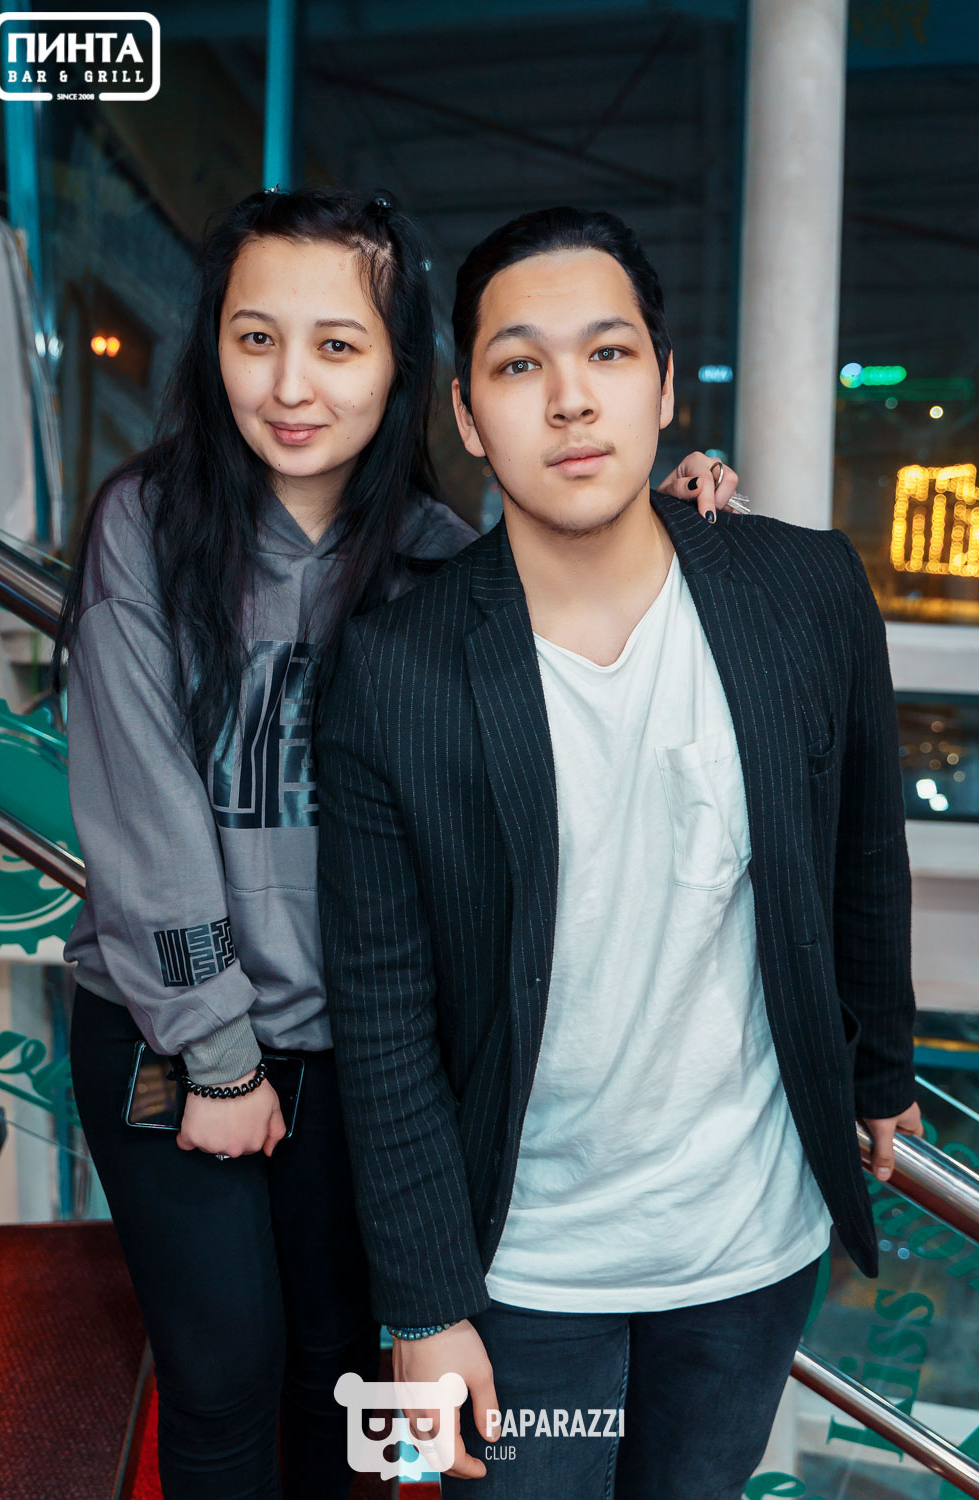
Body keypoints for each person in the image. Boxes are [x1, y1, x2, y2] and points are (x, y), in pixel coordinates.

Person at [57, 185, 734, 1499]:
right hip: (168, 1040)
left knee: (338, 1380)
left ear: (399, 369)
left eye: (338, 344)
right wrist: (217, 1055)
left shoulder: (441, 560)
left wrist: (680, 511)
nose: (291, 385)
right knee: (221, 1381)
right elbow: (143, 818)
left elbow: (593, 630)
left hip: (362, 1058)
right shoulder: (147, 524)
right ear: (213, 348)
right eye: (256, 339)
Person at [315, 205, 924, 1499]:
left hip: (748, 1249)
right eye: (519, 364)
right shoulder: (394, 672)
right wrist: (423, 1306)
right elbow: (381, 1013)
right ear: (469, 416)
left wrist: (882, 1068)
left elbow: (864, 849)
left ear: (663, 384)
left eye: (608, 353)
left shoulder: (806, 590)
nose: (571, 400)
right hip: (518, 1270)